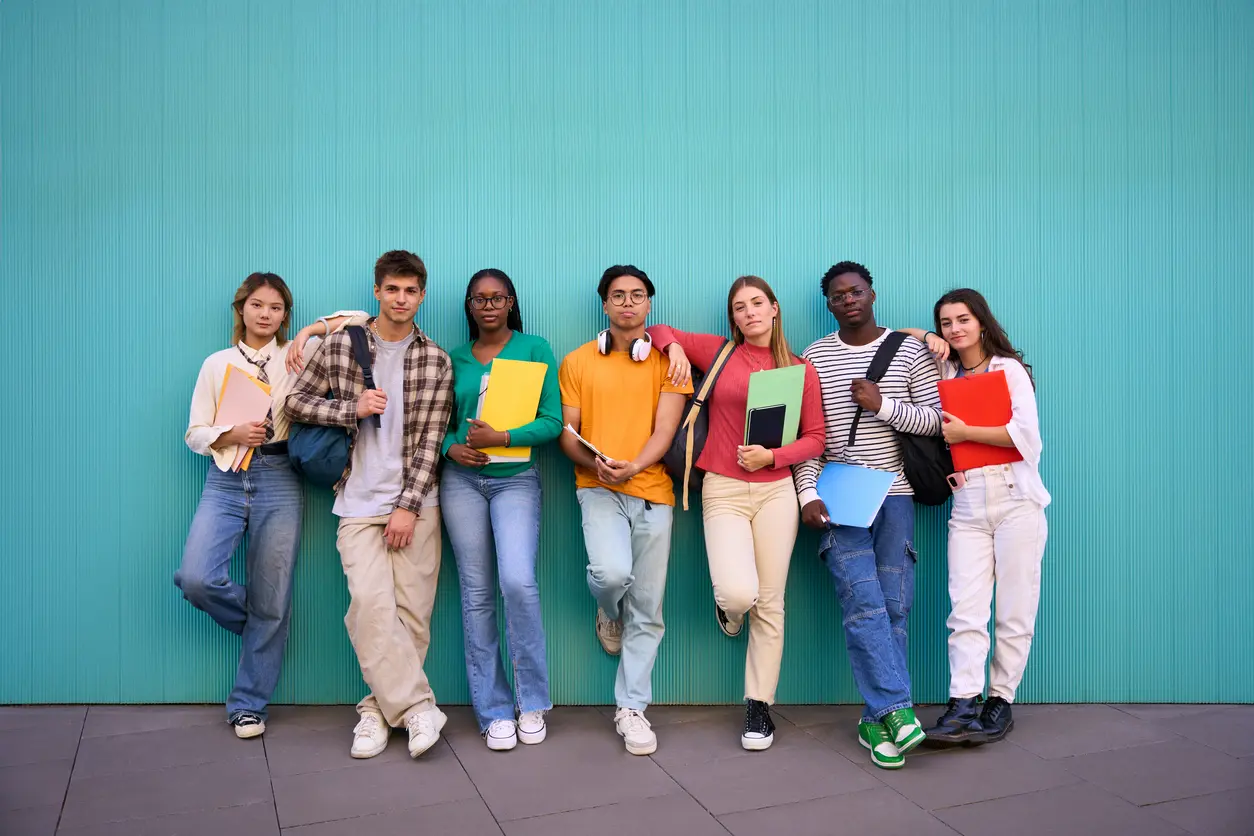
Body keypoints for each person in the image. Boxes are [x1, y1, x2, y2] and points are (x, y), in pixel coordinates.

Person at [176, 272, 365, 738]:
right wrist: (230, 433)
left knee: (273, 592)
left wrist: (307, 332)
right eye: (258, 305)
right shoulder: (216, 364)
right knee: (197, 578)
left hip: (280, 476)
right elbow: (194, 432)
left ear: (285, 314)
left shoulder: (297, 356)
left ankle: (248, 705)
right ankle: (264, 625)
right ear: (241, 308)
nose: (266, 315)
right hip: (225, 476)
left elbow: (361, 319)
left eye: (277, 308)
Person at [285, 250, 453, 760]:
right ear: (376, 292)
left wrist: (408, 506)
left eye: (410, 291)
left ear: (421, 296)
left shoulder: (436, 359)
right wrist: (348, 409)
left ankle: (376, 714)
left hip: (415, 503)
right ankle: (420, 708)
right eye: (392, 289)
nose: (401, 299)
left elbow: (430, 441)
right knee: (369, 606)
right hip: (356, 500)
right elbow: (294, 403)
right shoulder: (341, 346)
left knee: (412, 617)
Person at [646, 276, 824, 750]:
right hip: (722, 488)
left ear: (774, 308)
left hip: (776, 494)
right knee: (739, 592)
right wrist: (678, 352)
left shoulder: (800, 369)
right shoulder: (719, 352)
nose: (749, 313)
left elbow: (816, 438)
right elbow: (660, 330)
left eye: (757, 304)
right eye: (740, 307)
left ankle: (758, 705)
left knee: (771, 603)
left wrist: (773, 458)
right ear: (734, 317)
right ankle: (729, 609)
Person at [792, 261, 943, 770]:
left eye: (856, 291)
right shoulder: (815, 356)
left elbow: (936, 421)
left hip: (895, 494)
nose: (848, 299)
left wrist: (882, 405)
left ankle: (872, 719)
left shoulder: (910, 351)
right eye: (838, 295)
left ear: (872, 293)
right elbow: (809, 438)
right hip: (839, 496)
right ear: (829, 304)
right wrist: (805, 494)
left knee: (894, 606)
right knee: (862, 603)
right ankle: (898, 710)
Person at [898, 289, 1049, 747]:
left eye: (962, 319)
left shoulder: (1009, 371)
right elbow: (900, 335)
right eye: (946, 323)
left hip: (1014, 497)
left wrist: (965, 431)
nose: (955, 329)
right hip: (966, 503)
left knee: (1014, 610)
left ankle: (999, 700)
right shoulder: (944, 371)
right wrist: (926, 334)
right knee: (965, 609)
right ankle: (963, 701)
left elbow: (1027, 438)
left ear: (982, 322)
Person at [557, 265, 691, 756]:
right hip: (597, 488)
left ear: (649, 305)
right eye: (618, 295)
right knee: (611, 575)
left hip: (654, 492)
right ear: (605, 304)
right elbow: (567, 433)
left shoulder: (670, 364)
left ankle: (631, 708)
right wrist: (597, 464)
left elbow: (665, 430)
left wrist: (633, 465)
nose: (628, 303)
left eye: (637, 295)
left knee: (650, 609)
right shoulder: (576, 362)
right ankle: (607, 611)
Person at [440, 268, 562, 751]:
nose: (488, 305)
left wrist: (504, 438)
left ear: (511, 302)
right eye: (479, 298)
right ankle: (493, 710)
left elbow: (552, 420)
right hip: (462, 483)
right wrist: (453, 448)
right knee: (475, 593)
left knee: (517, 581)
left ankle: (531, 701)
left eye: (498, 297)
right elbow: (440, 425)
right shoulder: (453, 359)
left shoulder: (534, 349)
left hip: (515, 481)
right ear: (469, 306)